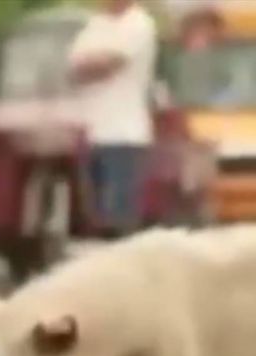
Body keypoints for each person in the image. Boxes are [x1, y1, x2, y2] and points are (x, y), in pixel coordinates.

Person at [68, 0, 158, 238]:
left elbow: (110, 63)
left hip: (125, 134)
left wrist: (92, 64)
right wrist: (90, 65)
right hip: (94, 132)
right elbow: (74, 66)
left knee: (120, 215)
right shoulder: (95, 24)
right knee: (95, 215)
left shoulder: (139, 23)